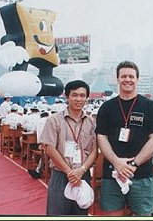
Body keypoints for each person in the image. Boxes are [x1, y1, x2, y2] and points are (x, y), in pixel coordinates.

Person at [95, 61, 153, 216]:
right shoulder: (106, 107)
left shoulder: (149, 106)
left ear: (137, 79)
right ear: (117, 79)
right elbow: (101, 137)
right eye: (123, 76)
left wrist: (133, 163)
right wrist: (117, 162)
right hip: (112, 173)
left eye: (131, 76)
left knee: (143, 215)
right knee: (113, 214)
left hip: (141, 173)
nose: (127, 79)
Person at [38, 80, 97, 215]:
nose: (78, 99)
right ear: (67, 96)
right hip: (61, 175)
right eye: (74, 95)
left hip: (83, 175)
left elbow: (94, 150)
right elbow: (50, 148)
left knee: (81, 212)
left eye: (82, 96)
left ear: (87, 98)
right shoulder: (55, 120)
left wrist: (81, 170)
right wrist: (70, 172)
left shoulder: (91, 123)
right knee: (57, 213)